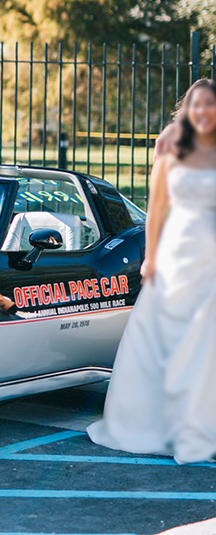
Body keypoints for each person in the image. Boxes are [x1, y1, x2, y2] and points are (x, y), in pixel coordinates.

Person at [87, 78, 216, 463]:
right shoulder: (171, 140)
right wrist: (152, 256)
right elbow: (157, 205)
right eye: (200, 104)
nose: (206, 112)